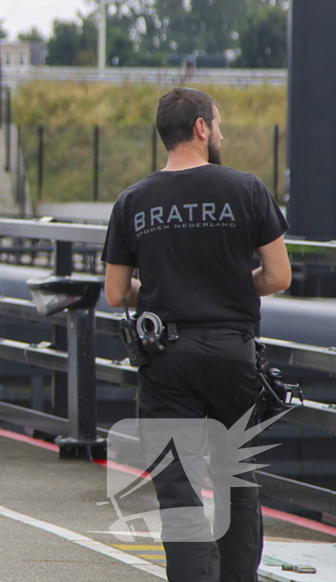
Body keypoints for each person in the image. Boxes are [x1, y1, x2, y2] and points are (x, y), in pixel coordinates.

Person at [102, 88, 291, 582]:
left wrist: (163, 290)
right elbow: (278, 276)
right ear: (202, 129)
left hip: (166, 358)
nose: (222, 132)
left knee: (179, 489)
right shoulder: (248, 189)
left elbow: (116, 292)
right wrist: (229, 285)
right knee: (237, 480)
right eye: (219, 124)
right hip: (233, 353)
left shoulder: (132, 201)